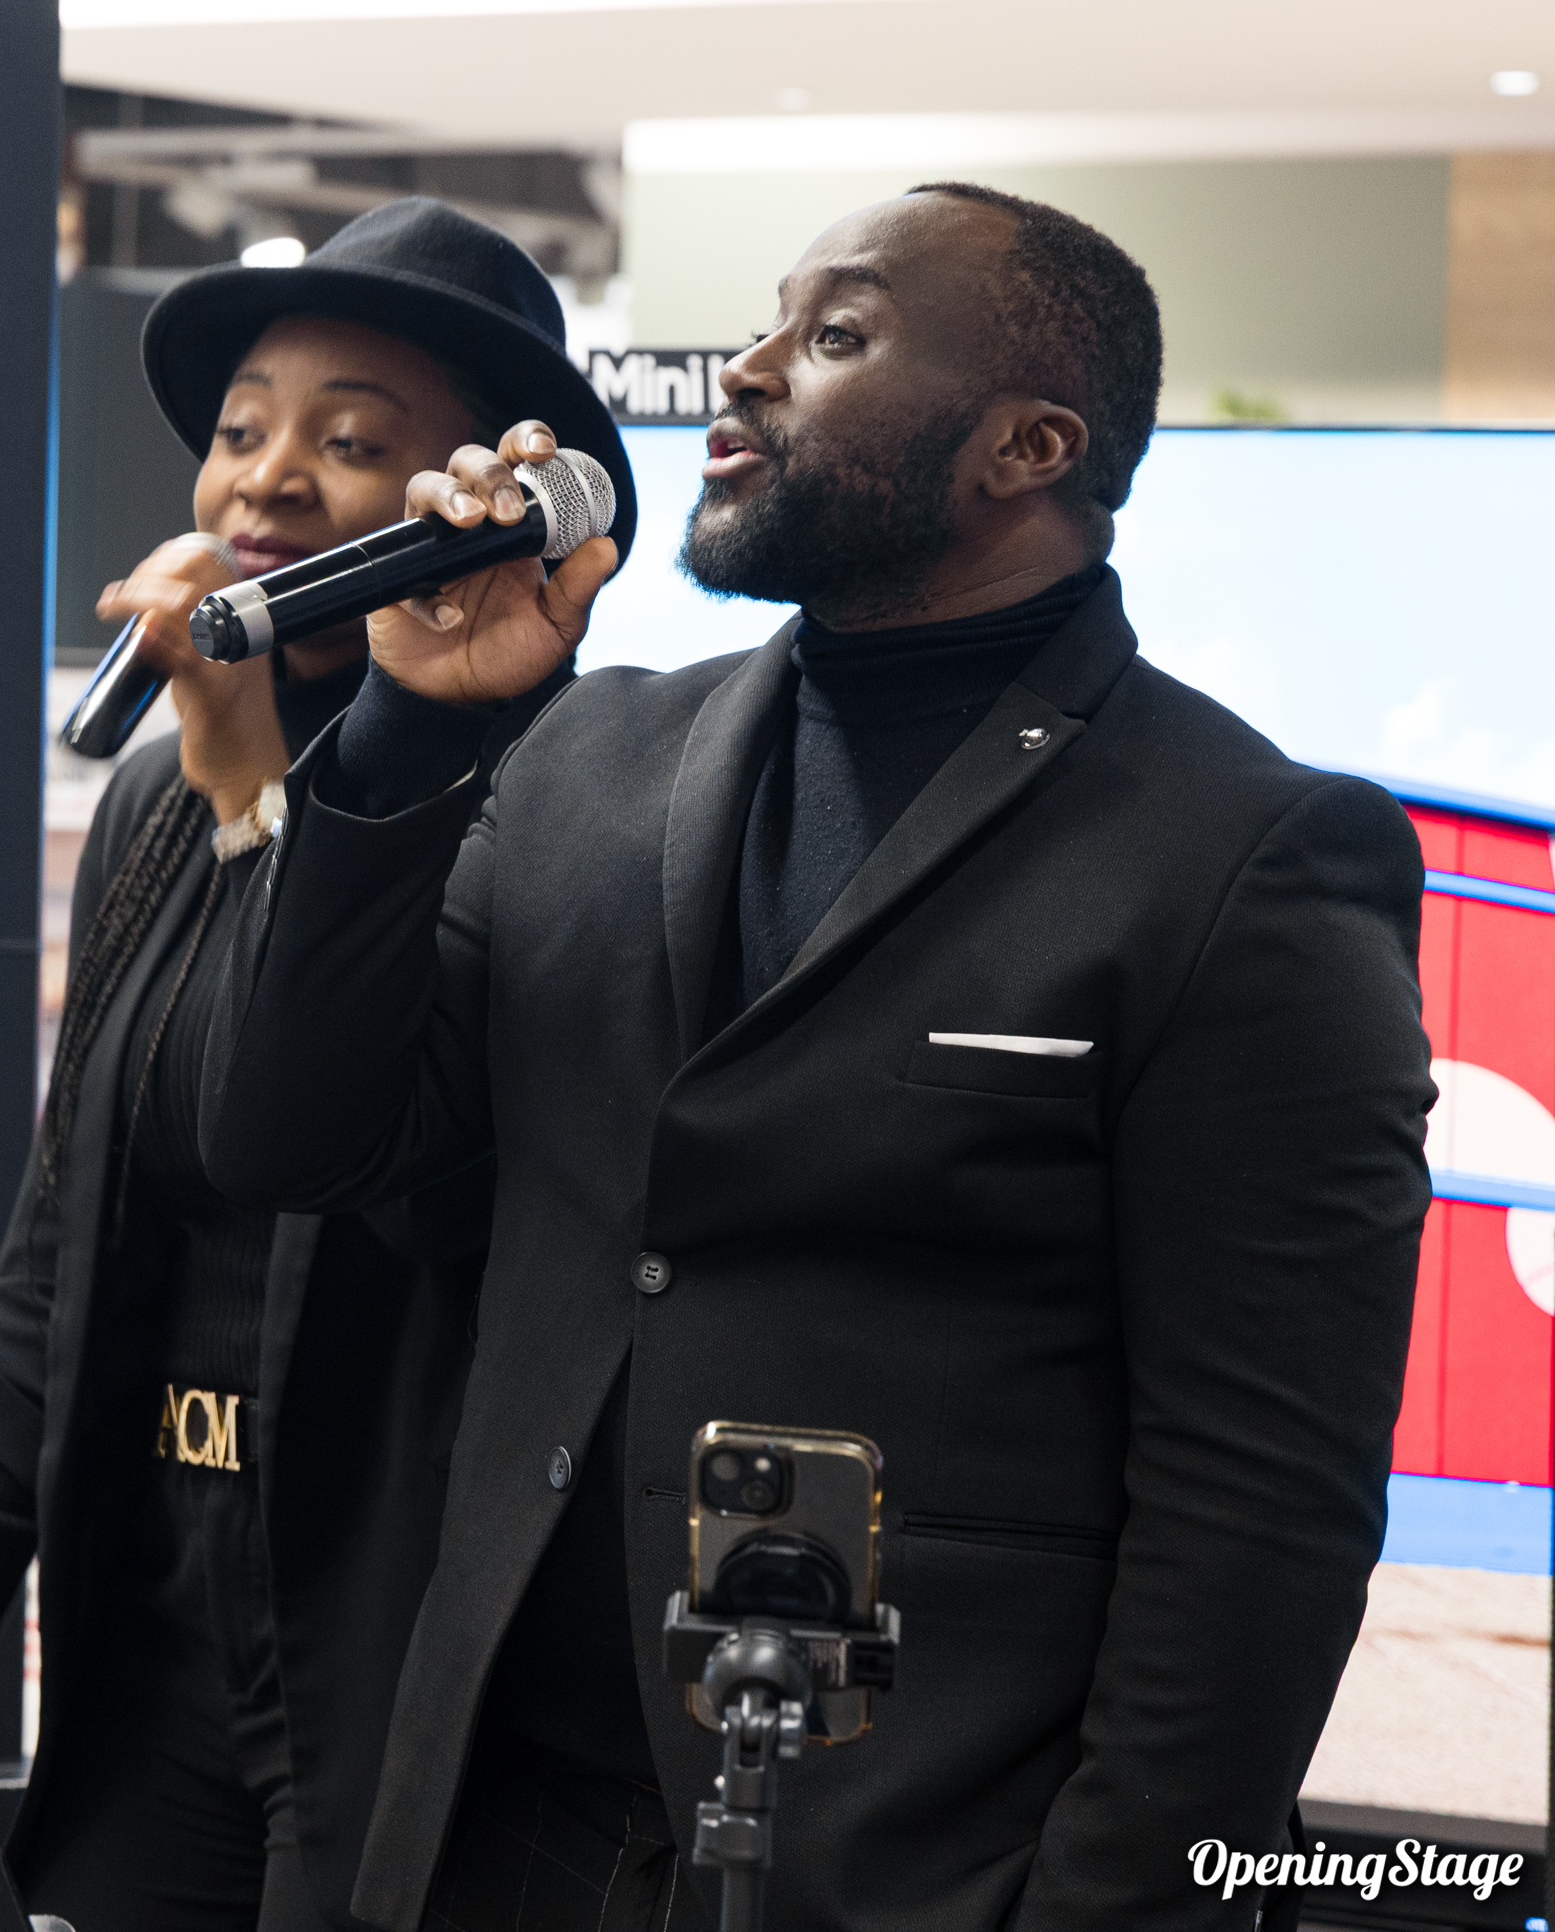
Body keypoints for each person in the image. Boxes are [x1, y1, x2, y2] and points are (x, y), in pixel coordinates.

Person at [199, 183, 1434, 1932]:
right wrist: (408, 730)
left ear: (1027, 445)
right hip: (496, 1835)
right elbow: (289, 1143)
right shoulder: (584, 762)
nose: (751, 369)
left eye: (833, 335)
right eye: (768, 322)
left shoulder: (1242, 853)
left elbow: (1260, 1503)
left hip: (917, 1869)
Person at [0, 196, 635, 1932]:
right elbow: (59, 1250)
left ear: (470, 497)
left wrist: (266, 805)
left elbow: (361, 1148)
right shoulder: (161, 790)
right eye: (241, 429)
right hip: (147, 1612)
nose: (265, 480)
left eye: (352, 439)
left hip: (386, 1641)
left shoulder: (562, 793)